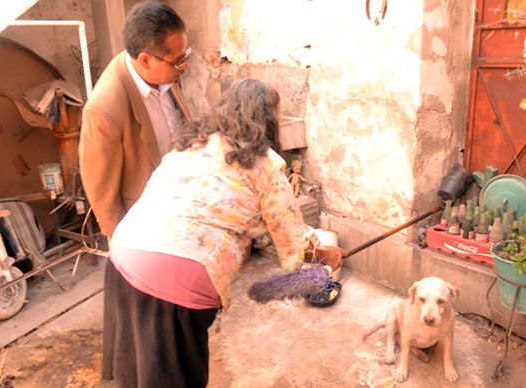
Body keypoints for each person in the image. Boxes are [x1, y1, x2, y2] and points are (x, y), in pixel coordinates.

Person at [104, 78, 345, 388]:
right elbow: (290, 243)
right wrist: (325, 255)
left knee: (136, 374)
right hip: (176, 278)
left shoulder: (193, 144)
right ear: (268, 121)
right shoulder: (264, 165)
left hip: (124, 253)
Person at [79, 0, 192, 240]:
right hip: (146, 226)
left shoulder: (164, 72)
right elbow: (103, 199)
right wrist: (124, 249)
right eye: (178, 60)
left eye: (185, 56)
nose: (185, 65)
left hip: (183, 209)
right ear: (145, 60)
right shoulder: (104, 111)